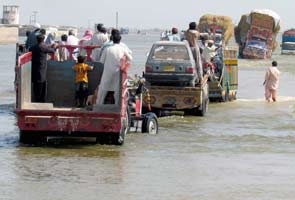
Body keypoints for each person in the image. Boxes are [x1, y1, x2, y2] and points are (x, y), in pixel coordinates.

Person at [96, 33, 132, 105]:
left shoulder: (107, 49)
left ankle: (99, 105)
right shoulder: (122, 49)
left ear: (112, 40)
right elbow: (130, 58)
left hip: (107, 72)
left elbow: (101, 61)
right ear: (120, 40)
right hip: (117, 72)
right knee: (117, 90)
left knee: (103, 89)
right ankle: (117, 105)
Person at [29, 34, 57, 102]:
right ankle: (40, 100)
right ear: (43, 39)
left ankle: (37, 99)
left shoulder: (34, 47)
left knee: (36, 85)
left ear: (37, 39)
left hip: (34, 68)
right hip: (41, 68)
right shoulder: (44, 47)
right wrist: (55, 47)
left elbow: (30, 49)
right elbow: (53, 51)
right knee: (41, 84)